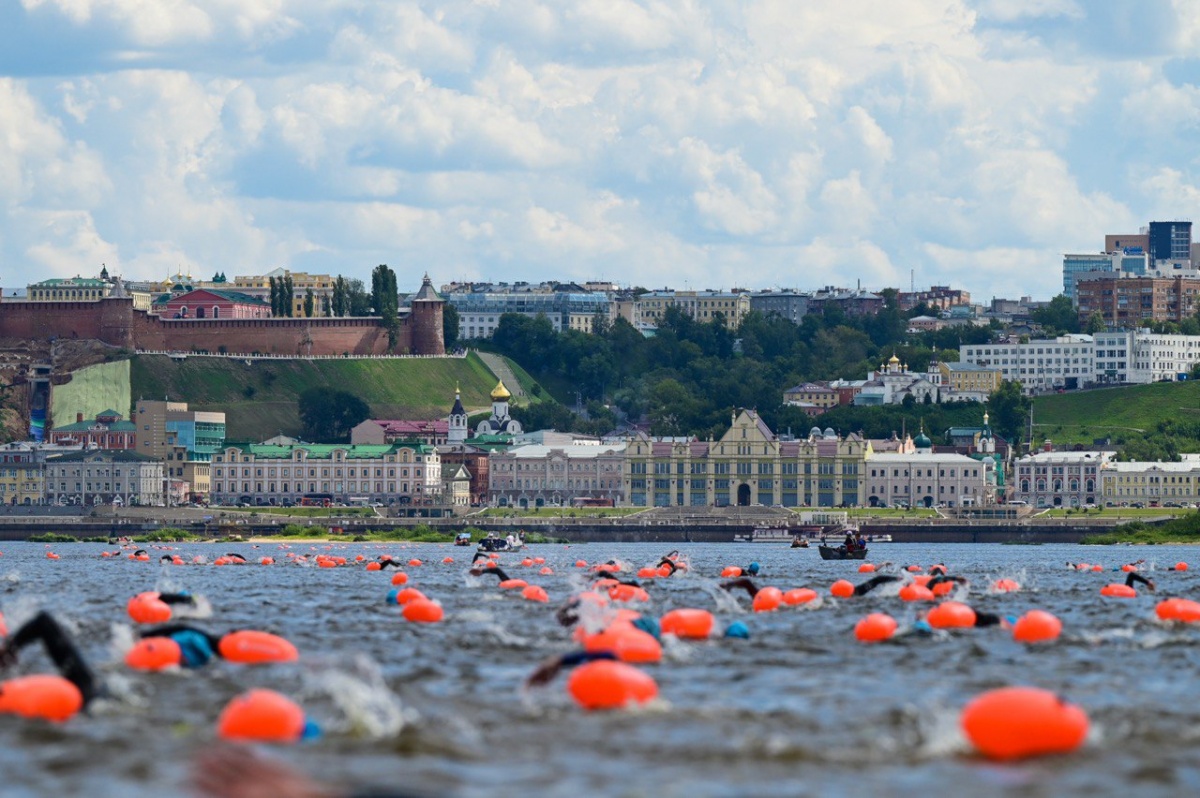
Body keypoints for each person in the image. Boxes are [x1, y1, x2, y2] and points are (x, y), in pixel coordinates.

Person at [0, 611, 101, 712]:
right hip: (88, 699)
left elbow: (43, 622)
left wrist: (8, 648)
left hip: (85, 700)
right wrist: (10, 648)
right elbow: (43, 622)